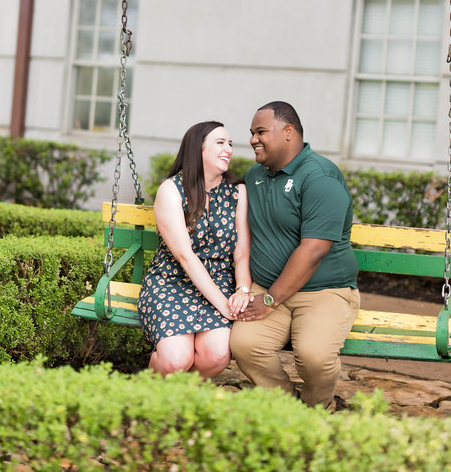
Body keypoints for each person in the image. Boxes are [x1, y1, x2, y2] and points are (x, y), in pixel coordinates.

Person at [229, 101, 360, 408]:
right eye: (251, 133)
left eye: (261, 131)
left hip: (323, 291)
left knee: (314, 355)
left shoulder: (320, 177)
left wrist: (270, 299)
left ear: (288, 132)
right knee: (245, 345)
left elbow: (314, 250)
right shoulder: (255, 177)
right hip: (268, 288)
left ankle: (319, 408)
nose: (252, 139)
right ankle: (288, 407)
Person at [137, 120, 252, 378]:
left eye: (230, 144)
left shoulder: (237, 192)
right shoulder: (172, 190)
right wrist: (223, 305)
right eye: (220, 142)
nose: (229, 149)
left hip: (219, 281)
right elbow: (185, 257)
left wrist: (242, 288)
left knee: (217, 355)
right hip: (171, 282)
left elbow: (242, 252)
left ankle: (183, 397)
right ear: (197, 149)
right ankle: (149, 392)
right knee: (176, 359)